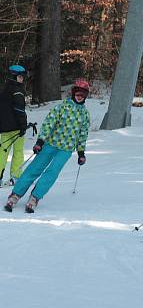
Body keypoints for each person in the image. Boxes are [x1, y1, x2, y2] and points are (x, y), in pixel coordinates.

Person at [5, 79, 90, 214]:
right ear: (73, 93)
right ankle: (16, 194)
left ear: (85, 96)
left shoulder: (85, 114)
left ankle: (35, 197)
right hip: (50, 144)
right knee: (35, 168)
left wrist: (81, 153)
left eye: (82, 95)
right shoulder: (62, 107)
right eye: (77, 94)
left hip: (66, 149)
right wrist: (40, 142)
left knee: (52, 173)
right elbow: (48, 124)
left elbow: (83, 134)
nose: (79, 97)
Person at [0, 65, 31, 186]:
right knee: (18, 152)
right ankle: (16, 176)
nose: (22, 79)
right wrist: (23, 126)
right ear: (14, 76)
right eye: (20, 76)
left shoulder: (4, 90)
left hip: (4, 128)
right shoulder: (18, 91)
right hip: (17, 129)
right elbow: (19, 110)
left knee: (2, 151)